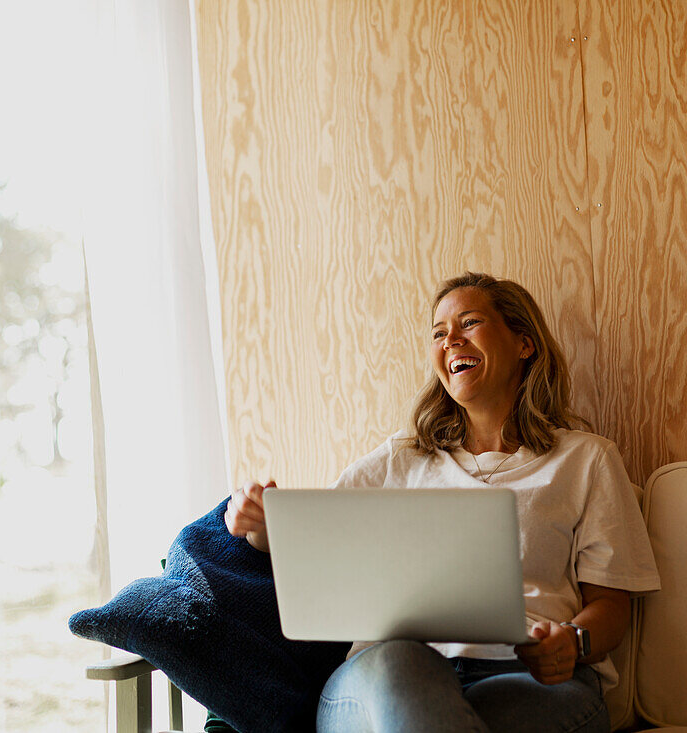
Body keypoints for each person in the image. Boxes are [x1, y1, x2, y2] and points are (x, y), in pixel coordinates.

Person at [225, 272, 661, 732]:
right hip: (384, 675)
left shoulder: (586, 459)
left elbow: (613, 606)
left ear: (524, 345)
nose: (450, 339)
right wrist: (258, 523)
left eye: (468, 323)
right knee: (404, 665)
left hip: (528, 679)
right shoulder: (400, 459)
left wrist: (572, 642)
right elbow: (315, 544)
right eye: (438, 333)